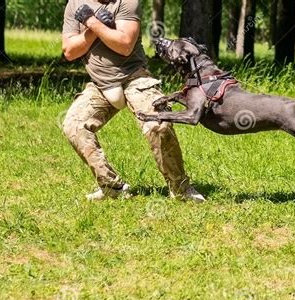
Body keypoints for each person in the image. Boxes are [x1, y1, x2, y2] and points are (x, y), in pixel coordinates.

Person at [61, 0, 205, 202]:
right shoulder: (75, 4)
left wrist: (91, 22)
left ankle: (181, 189)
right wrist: (93, 25)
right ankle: (113, 187)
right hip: (100, 84)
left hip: (135, 78)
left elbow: (125, 45)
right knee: (74, 125)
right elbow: (69, 51)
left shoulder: (127, 1)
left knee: (158, 124)